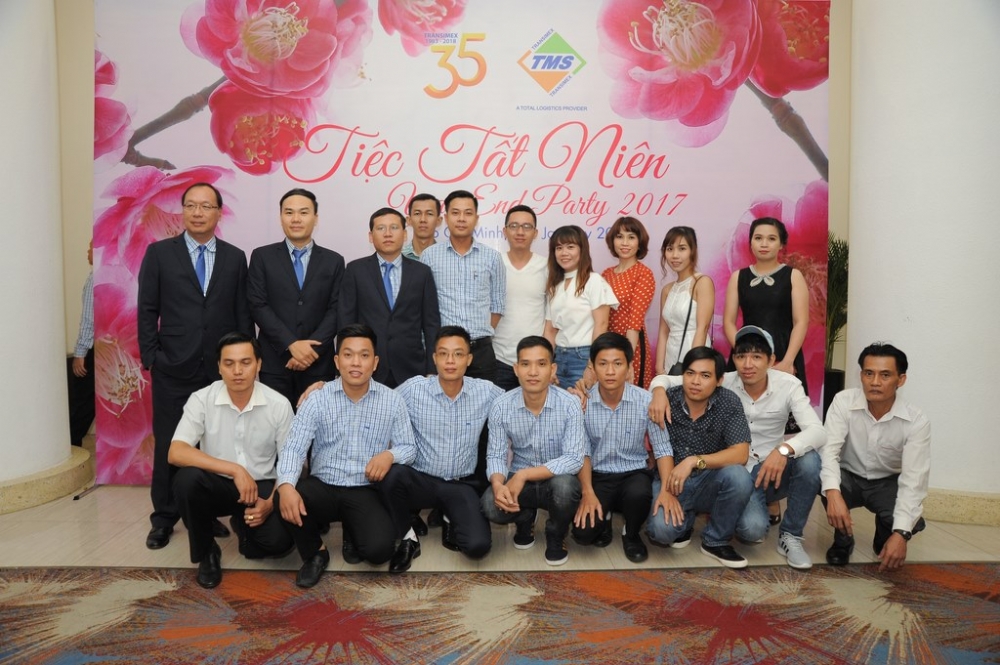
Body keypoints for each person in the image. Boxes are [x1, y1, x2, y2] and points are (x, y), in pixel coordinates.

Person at [650, 326, 825, 569]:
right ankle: (694, 516)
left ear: (771, 360)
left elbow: (818, 431)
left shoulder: (789, 385)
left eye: (756, 356)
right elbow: (672, 379)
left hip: (767, 470)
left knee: (810, 461)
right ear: (733, 359)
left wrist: (783, 450)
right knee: (745, 522)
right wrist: (659, 391)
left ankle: (791, 536)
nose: (747, 364)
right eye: (741, 356)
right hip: (731, 470)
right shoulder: (719, 379)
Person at [137, 182, 253, 550]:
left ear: (219, 213)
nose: (198, 212)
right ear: (183, 210)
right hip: (173, 366)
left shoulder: (235, 257)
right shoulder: (159, 254)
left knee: (213, 444)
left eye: (206, 206)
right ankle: (164, 517)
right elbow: (147, 310)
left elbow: (241, 313)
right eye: (191, 205)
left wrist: (243, 362)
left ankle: (203, 513)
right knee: (171, 442)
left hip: (218, 369)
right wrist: (152, 357)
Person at [274, 324, 417, 587]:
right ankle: (315, 553)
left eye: (364, 355)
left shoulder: (392, 400)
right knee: (283, 493)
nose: (356, 362)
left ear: (375, 363)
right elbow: (294, 447)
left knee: (379, 551)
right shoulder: (317, 398)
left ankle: (353, 529)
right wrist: (285, 486)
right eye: (348, 355)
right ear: (337, 361)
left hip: (364, 488)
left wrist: (389, 455)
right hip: (323, 486)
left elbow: (409, 447)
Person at [168, 332, 294, 588]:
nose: (237, 371)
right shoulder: (202, 399)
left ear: (258, 364)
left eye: (245, 362)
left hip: (261, 486)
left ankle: (244, 527)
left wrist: (271, 504)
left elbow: (291, 463)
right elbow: (176, 452)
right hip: (217, 485)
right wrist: (235, 470)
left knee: (279, 544)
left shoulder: (279, 404)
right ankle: (207, 552)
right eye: (229, 363)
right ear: (219, 367)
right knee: (186, 480)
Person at [380, 326, 504, 573]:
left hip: (459, 484)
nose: (450, 361)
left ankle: (449, 514)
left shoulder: (485, 391)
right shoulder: (414, 389)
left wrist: (564, 391)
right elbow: (378, 402)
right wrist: (321, 386)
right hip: (420, 481)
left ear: (469, 359)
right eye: (444, 354)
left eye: (458, 354)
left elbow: (518, 401)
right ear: (434, 358)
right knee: (392, 475)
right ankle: (408, 537)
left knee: (477, 546)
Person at [821, 342, 930, 572]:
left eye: (885, 375)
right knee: (816, 472)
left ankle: (885, 534)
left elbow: (914, 479)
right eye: (869, 373)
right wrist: (832, 494)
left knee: (906, 522)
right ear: (860, 375)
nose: (875, 382)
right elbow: (828, 451)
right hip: (848, 478)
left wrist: (901, 534)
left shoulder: (916, 421)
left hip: (887, 483)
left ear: (901, 380)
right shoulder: (843, 401)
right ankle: (843, 541)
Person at [645, 347, 753, 568]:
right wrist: (666, 487)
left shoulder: (729, 402)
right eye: (690, 373)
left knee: (739, 476)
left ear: (719, 380)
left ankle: (715, 540)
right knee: (661, 532)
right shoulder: (667, 399)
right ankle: (685, 522)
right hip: (671, 477)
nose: (695, 381)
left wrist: (694, 460)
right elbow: (661, 447)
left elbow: (741, 453)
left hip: (709, 479)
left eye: (705, 376)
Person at [481, 336, 585, 566]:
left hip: (555, 479)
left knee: (566, 488)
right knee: (490, 504)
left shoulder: (569, 404)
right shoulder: (501, 405)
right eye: (526, 364)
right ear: (516, 369)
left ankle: (556, 534)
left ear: (552, 369)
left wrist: (524, 475)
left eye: (541, 364)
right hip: (521, 481)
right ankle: (525, 518)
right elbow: (496, 455)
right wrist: (498, 484)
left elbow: (574, 459)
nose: (533, 372)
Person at [572, 333, 671, 563]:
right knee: (583, 534)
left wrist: (666, 489)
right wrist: (587, 492)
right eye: (603, 364)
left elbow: (662, 448)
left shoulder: (645, 400)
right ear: (593, 367)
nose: (610, 371)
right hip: (599, 474)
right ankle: (605, 516)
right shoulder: (583, 402)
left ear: (628, 367)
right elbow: (582, 452)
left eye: (617, 364)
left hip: (633, 472)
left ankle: (631, 533)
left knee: (640, 493)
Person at [247, 189, 344, 408]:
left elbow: (336, 309)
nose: (296, 219)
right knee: (275, 425)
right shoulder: (262, 256)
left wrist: (311, 351)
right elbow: (257, 305)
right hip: (275, 362)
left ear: (315, 218)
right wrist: (290, 344)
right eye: (289, 212)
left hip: (318, 363)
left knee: (318, 426)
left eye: (303, 212)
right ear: (281, 217)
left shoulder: (334, 261)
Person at [339, 207, 440, 388]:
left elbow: (431, 324)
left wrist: (432, 369)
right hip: (367, 369)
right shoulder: (355, 270)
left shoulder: (421, 272)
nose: (387, 234)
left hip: (412, 369)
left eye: (394, 228)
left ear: (405, 234)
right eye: (380, 228)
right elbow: (346, 322)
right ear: (371, 236)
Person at [420, 189, 505, 382]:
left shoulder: (492, 257)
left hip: (481, 352)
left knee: (484, 401)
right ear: (446, 218)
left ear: (476, 218)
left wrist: (478, 335)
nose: (461, 219)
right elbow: (425, 306)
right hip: (444, 351)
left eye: (468, 213)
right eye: (455, 213)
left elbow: (498, 306)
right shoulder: (429, 256)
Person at [723, 217, 809, 393]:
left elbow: (801, 322)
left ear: (781, 244)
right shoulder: (738, 277)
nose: (764, 244)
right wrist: (743, 353)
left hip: (783, 354)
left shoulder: (793, 276)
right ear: (751, 243)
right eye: (758, 238)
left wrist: (787, 361)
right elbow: (728, 322)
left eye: (771, 239)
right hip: (746, 354)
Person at [543, 225, 618, 389]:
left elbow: (601, 324)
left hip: (584, 357)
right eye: (559, 248)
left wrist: (592, 365)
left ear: (582, 250)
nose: (564, 253)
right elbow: (550, 330)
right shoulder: (554, 285)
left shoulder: (593, 280)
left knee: (583, 403)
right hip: (558, 358)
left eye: (570, 247)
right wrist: (546, 364)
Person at [493, 205, 548, 391]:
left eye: (526, 227)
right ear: (505, 231)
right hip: (499, 359)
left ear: (535, 233)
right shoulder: (493, 264)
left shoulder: (547, 267)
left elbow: (552, 318)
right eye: (514, 226)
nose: (520, 232)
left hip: (536, 361)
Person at [601, 217, 656, 389]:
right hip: (607, 346)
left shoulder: (643, 273)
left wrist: (628, 359)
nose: (625, 243)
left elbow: (635, 321)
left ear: (640, 242)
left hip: (632, 347)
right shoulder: (606, 274)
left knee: (632, 397)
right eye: (620, 236)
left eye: (631, 237)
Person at [655, 226, 714, 376]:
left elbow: (702, 328)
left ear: (692, 251)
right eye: (670, 249)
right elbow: (663, 331)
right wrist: (659, 368)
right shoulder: (667, 290)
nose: (675, 255)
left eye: (682, 249)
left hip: (695, 352)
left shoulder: (702, 282)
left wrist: (693, 367)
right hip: (670, 357)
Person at [68, 240, 95, 447]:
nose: (87, 252)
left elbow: (89, 320)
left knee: (83, 401)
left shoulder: (95, 279)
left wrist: (80, 353)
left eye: (91, 248)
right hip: (105, 349)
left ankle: (72, 443)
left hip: (92, 350)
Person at [402, 193, 441, 260]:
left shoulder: (447, 258)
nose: (423, 219)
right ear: (409, 220)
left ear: (438, 221)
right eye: (417, 213)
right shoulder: (398, 257)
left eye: (429, 214)